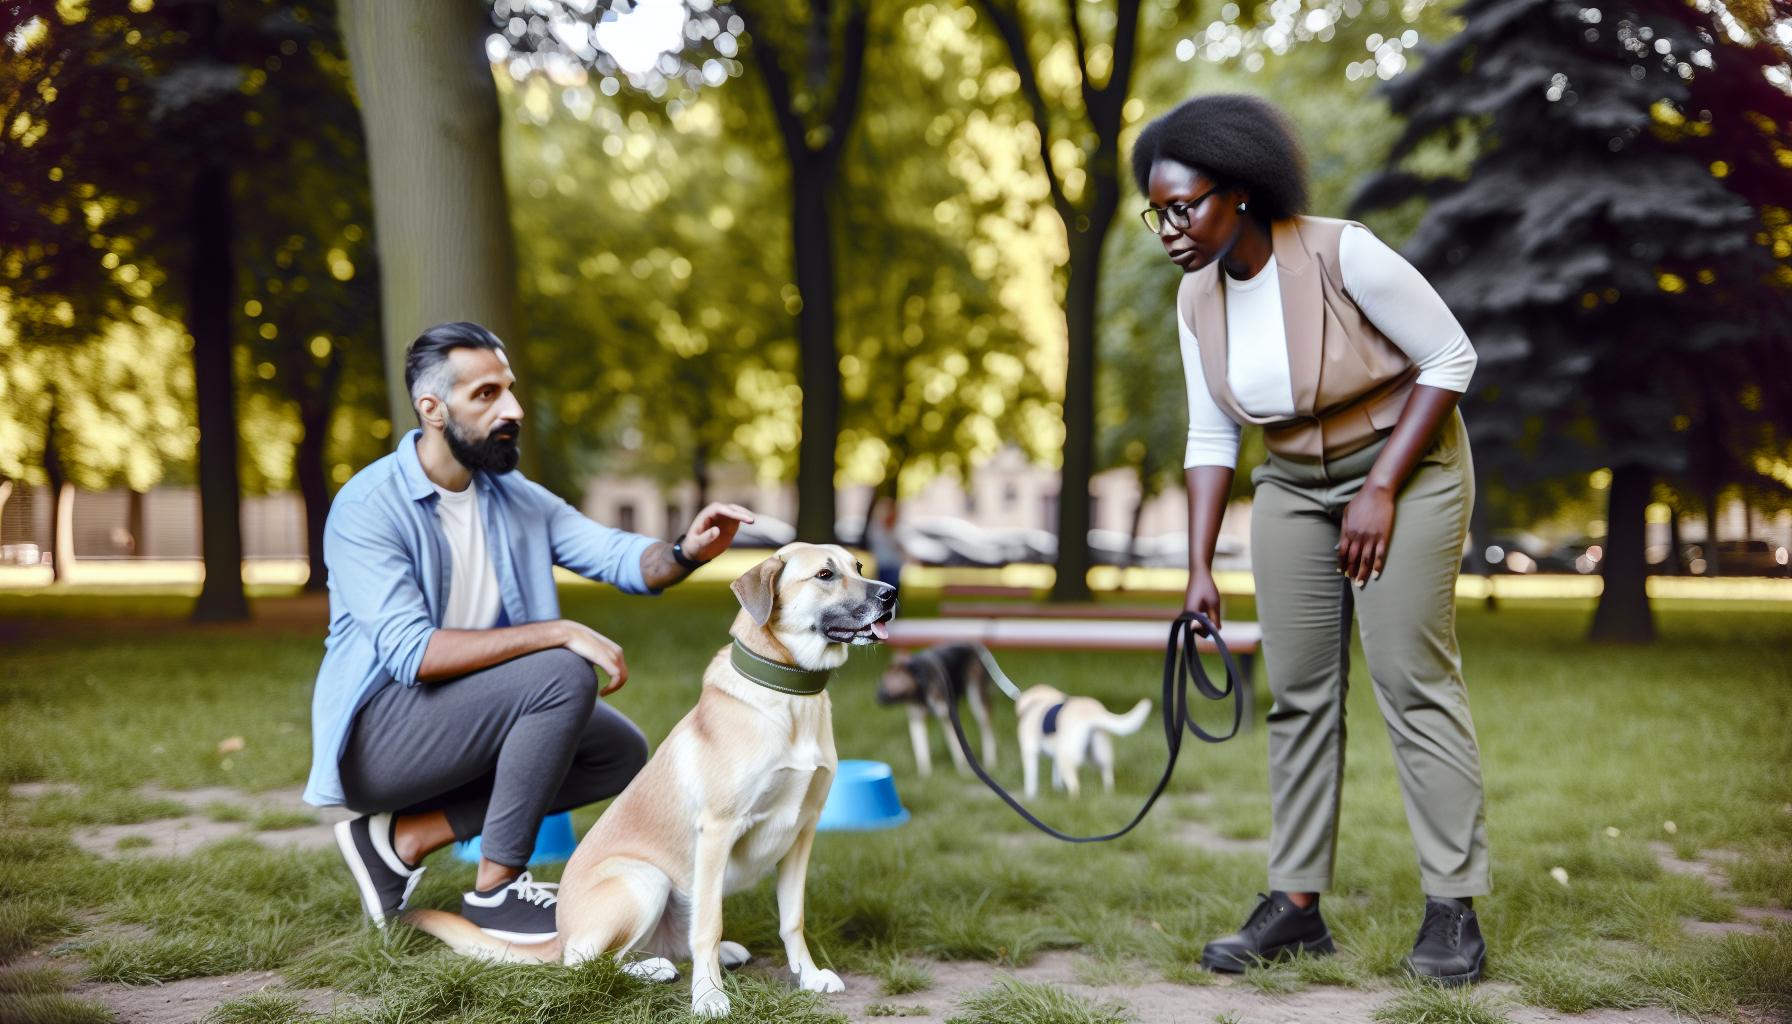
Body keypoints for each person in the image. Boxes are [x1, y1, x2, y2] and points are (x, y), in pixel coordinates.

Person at [1131, 95, 1490, 984]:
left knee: (1412, 679)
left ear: (1242, 192)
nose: (1171, 228)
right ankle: (1294, 906)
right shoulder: (1195, 299)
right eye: (1158, 210)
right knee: (1297, 693)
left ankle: (1452, 908)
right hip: (1292, 482)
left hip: (1407, 464)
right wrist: (1197, 569)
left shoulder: (1342, 249)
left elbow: (1451, 358)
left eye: (1187, 206)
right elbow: (1212, 435)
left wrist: (1378, 488)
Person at [302, 321, 755, 944]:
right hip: (380, 741)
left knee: (617, 752)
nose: (513, 409)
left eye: (509, 389)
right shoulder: (367, 506)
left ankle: (404, 839)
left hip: (467, 715)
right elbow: (414, 654)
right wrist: (558, 631)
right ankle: (495, 890)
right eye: (486, 395)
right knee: (561, 670)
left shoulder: (512, 496)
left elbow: (620, 556)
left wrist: (685, 550)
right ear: (431, 409)